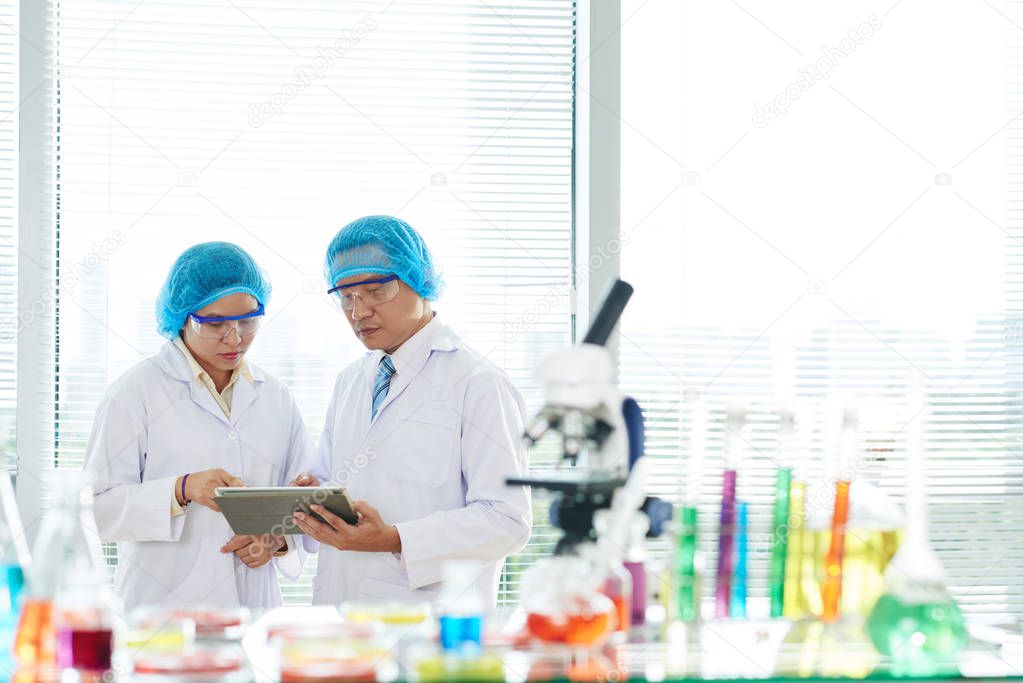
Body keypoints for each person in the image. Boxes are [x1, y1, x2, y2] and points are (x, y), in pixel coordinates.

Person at [291, 215, 531, 606]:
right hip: (340, 616)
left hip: (427, 622)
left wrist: (395, 539)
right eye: (346, 296)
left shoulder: (479, 383)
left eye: (375, 291)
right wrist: (309, 499)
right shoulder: (351, 381)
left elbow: (507, 520)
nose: (358, 311)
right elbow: (334, 479)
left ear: (418, 281)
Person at [83, 242, 316, 610]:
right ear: (182, 317)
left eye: (247, 320)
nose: (235, 337)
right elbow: (98, 509)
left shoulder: (276, 396)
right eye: (215, 323)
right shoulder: (135, 392)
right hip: (162, 611)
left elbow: (303, 496)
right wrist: (182, 488)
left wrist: (275, 540)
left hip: (253, 610)